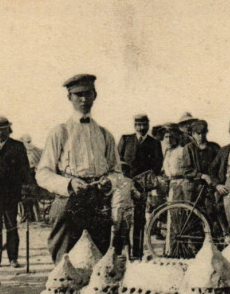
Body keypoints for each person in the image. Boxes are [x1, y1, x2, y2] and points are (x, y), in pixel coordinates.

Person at [36, 74, 123, 261]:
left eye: (88, 94)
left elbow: (117, 171)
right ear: (70, 98)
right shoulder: (60, 132)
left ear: (95, 95)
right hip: (70, 201)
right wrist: (68, 184)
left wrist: (109, 181)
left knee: (100, 259)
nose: (84, 99)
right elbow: (42, 173)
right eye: (78, 95)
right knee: (65, 262)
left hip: (99, 201)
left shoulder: (105, 134)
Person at [0, 117, 30, 269]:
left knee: (11, 226)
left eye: (2, 129)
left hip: (11, 194)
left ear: (8, 129)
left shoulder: (17, 146)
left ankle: (13, 258)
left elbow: (25, 170)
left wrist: (26, 188)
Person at [118, 114, 163, 257]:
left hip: (141, 187)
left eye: (144, 124)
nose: (141, 127)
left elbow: (157, 165)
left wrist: (144, 181)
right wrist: (126, 180)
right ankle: (118, 252)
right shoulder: (126, 140)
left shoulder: (154, 143)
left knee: (139, 219)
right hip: (125, 185)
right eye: (138, 125)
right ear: (134, 125)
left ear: (148, 125)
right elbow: (118, 161)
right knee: (121, 218)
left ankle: (137, 253)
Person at [19, 134, 43, 222]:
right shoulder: (34, 151)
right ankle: (32, 216)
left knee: (28, 198)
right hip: (30, 179)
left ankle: (29, 216)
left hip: (30, 179)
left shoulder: (33, 152)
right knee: (29, 199)